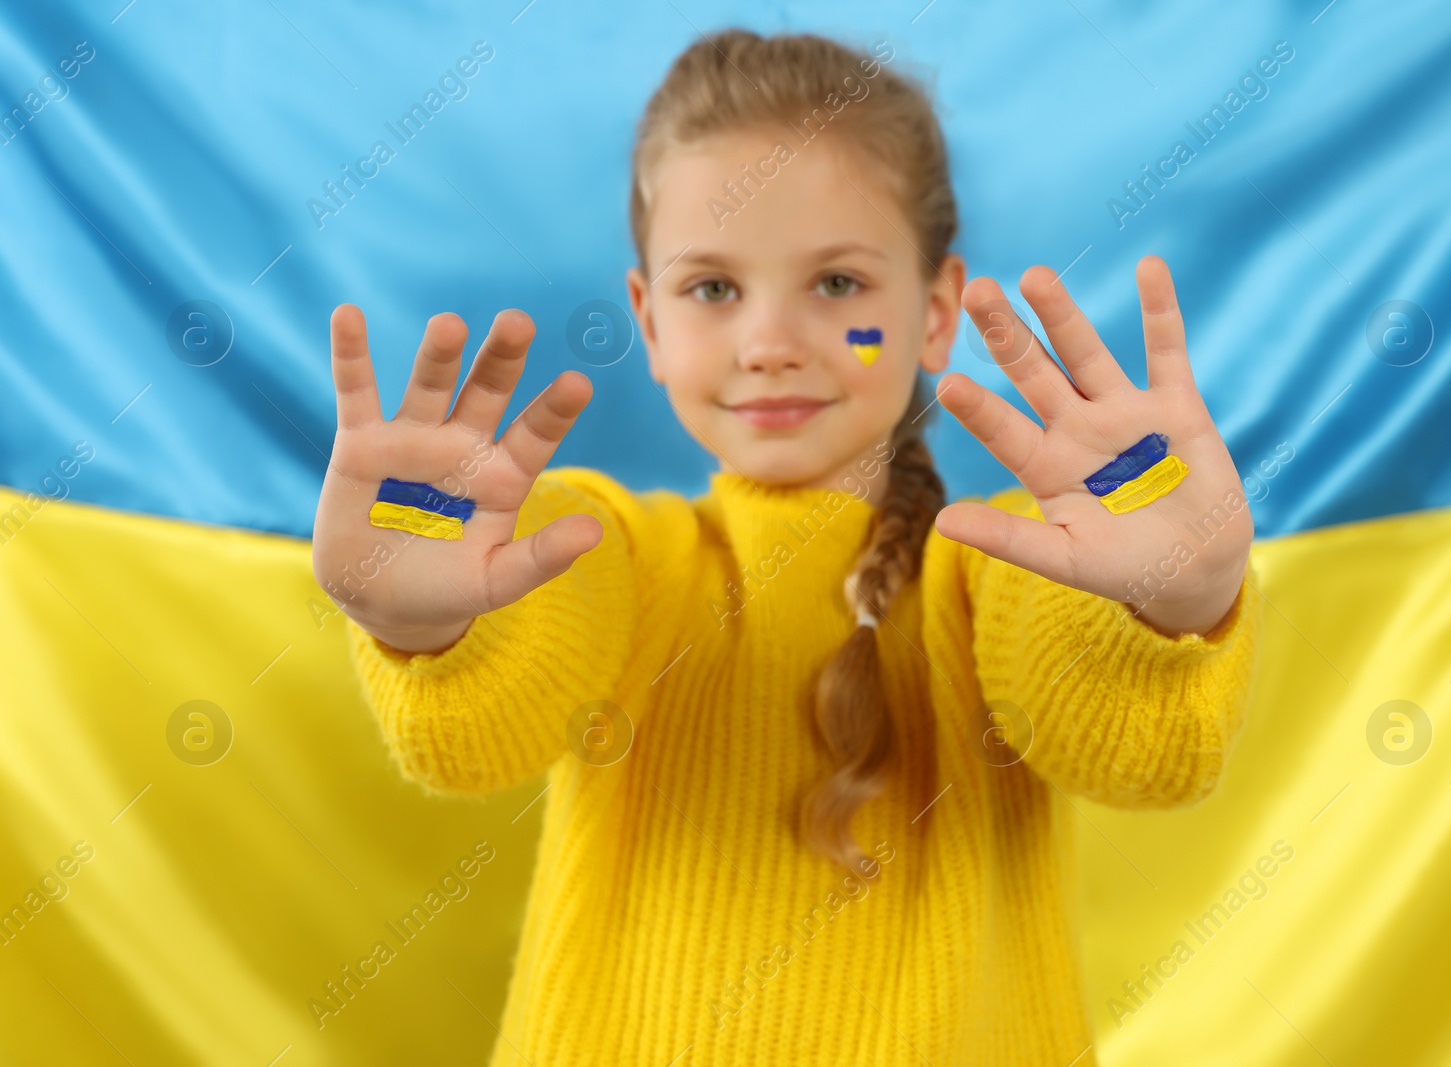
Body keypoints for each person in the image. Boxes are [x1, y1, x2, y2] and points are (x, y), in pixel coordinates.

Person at [311, 27, 1261, 1067]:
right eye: (712, 289)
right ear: (650, 320)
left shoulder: (1014, 564)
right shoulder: (610, 547)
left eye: (839, 285)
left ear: (933, 313)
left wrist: (1177, 599)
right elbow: (474, 738)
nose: (769, 341)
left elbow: (1136, 755)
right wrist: (430, 624)